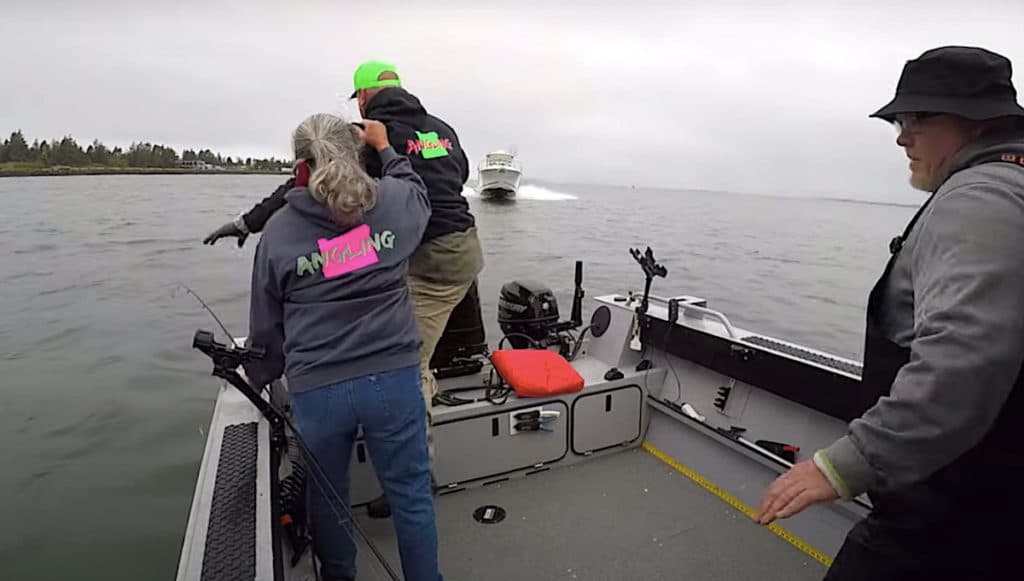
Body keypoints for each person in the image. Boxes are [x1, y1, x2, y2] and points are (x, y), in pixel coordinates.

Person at [755, 46, 1024, 579]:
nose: (902, 136)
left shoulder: (980, 197)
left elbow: (965, 359)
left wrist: (846, 463)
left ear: (974, 121)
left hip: (949, 512)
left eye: (915, 118)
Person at [206, 59, 484, 419]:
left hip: (427, 261)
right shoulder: (441, 129)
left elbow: (305, 182)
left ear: (364, 96)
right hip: (464, 249)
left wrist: (248, 223)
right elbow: (459, 174)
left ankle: (416, 451)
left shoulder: (368, 135)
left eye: (359, 99)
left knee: (406, 366)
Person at [242, 113, 443, 581]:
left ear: (300, 170)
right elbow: (417, 193)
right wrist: (388, 148)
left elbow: (266, 330)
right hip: (393, 381)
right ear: (357, 155)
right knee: (411, 494)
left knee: (328, 501)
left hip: (319, 394)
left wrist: (263, 373)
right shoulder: (393, 203)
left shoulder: (277, 234)